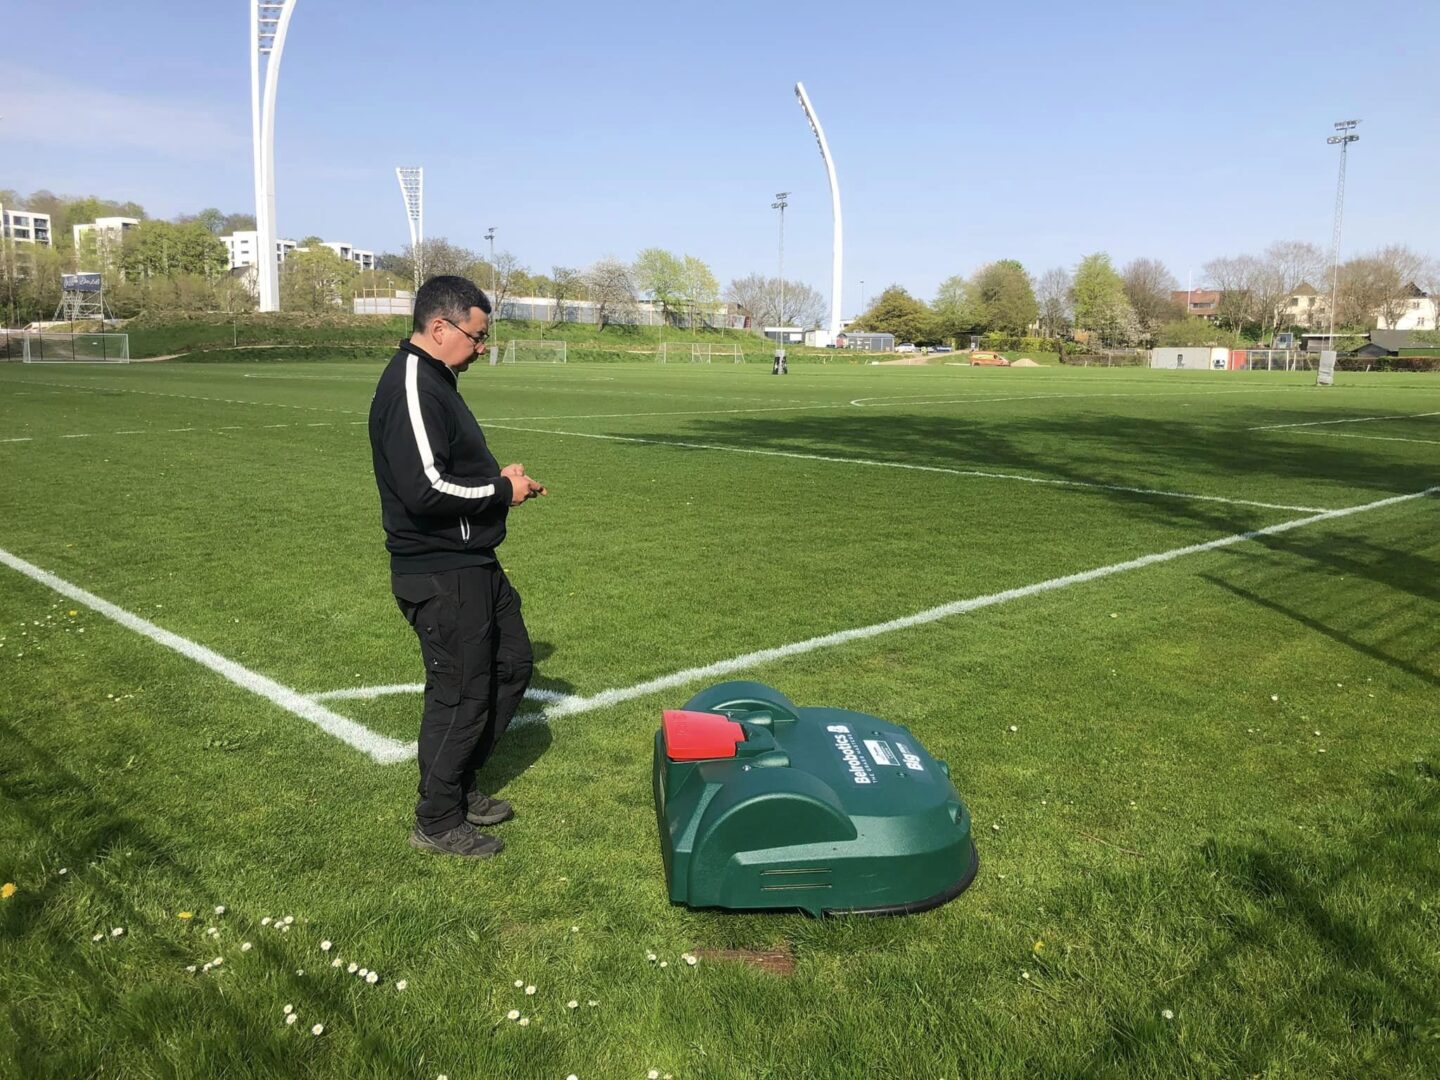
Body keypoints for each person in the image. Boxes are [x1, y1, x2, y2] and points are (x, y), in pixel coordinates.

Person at [368, 275, 547, 858]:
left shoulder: (437, 381)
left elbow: (447, 472)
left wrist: (501, 480)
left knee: (512, 664)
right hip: (440, 570)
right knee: (461, 691)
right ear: (439, 328)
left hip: (472, 561)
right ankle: (438, 819)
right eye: (476, 337)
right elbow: (424, 490)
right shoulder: (413, 386)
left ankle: (459, 784)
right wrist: (501, 490)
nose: (482, 349)